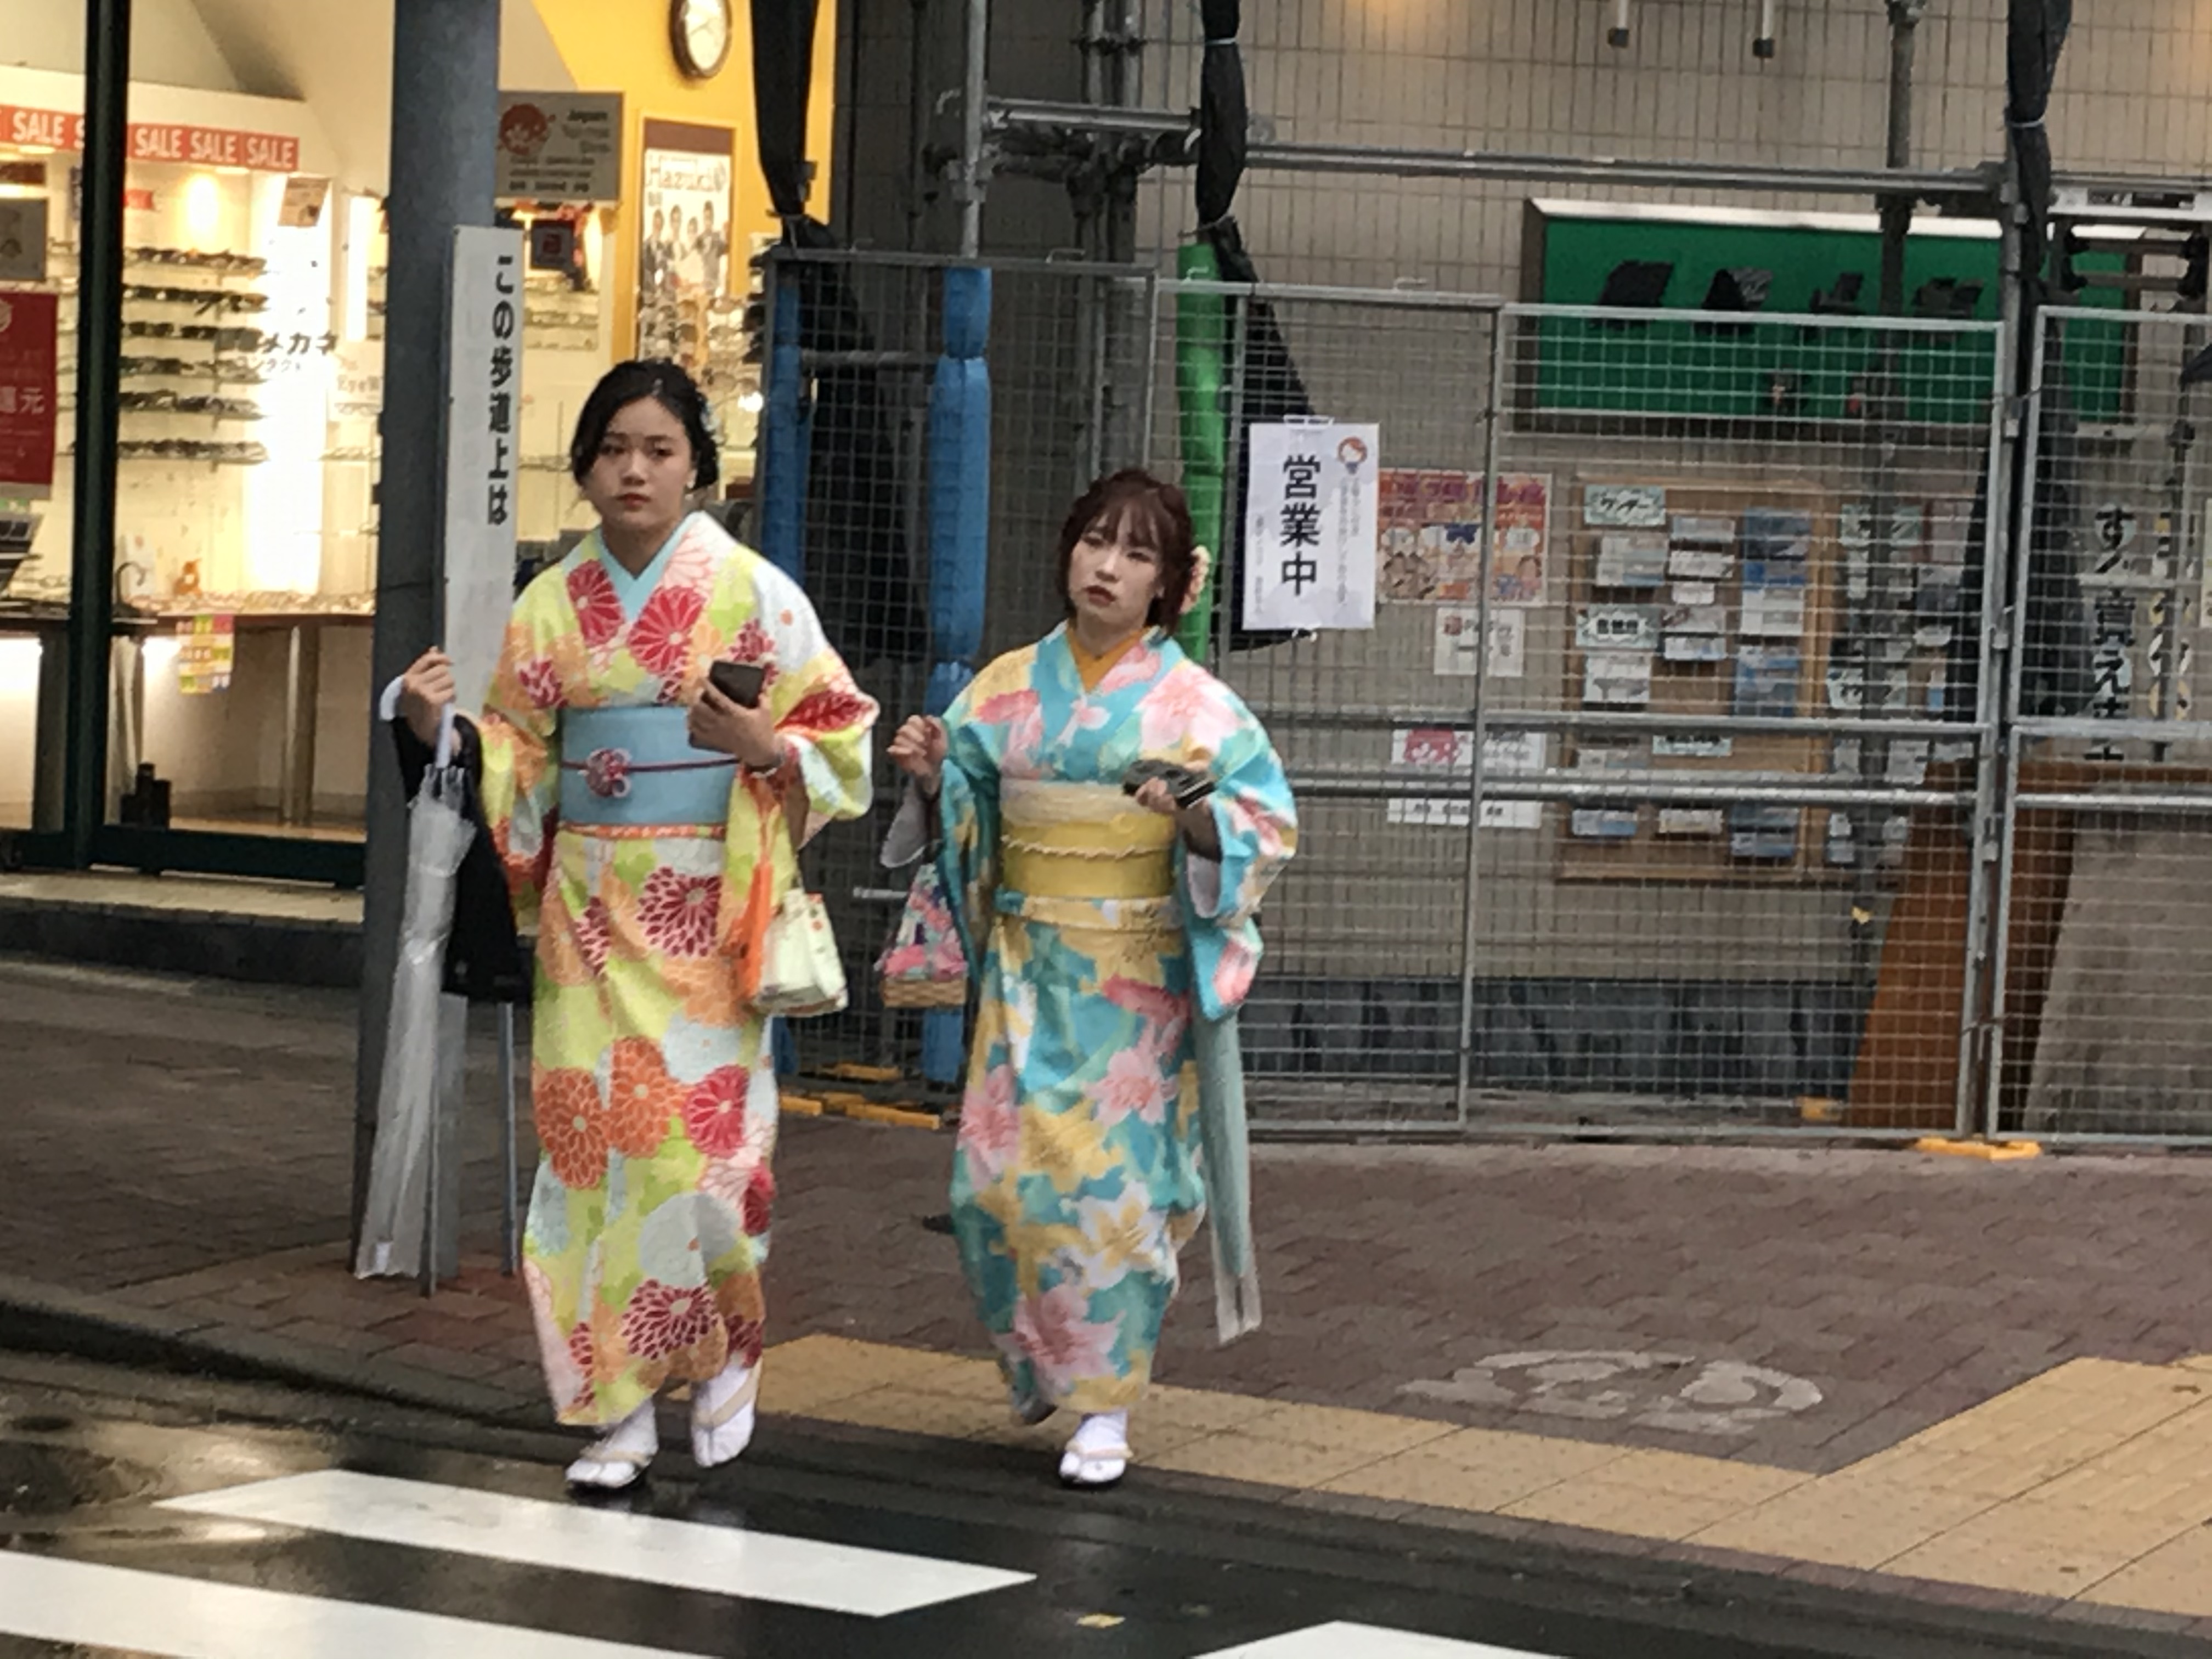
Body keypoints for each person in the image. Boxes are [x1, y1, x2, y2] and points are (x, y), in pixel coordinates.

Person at [391, 360, 877, 1492]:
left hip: (708, 907)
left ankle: (722, 1354)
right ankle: (616, 1408)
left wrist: (768, 751)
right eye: (614, 448)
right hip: (589, 915)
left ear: (697, 466)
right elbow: (514, 750)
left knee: (703, 1156)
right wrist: (442, 734)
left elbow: (840, 729)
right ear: (587, 466)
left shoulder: (755, 592)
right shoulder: (550, 607)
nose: (635, 470)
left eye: (660, 450)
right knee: (588, 1161)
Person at [884, 469, 1297, 1490]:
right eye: (1095, 543)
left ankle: (1105, 1404)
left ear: (1169, 585)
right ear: (1068, 550)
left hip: (1135, 981)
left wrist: (1196, 819)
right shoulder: (1006, 686)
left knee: (1109, 1197)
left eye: (1137, 553)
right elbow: (969, 809)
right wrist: (938, 773)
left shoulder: (1202, 707)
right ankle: (1037, 1359)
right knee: (993, 1186)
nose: (1108, 567)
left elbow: (1265, 829)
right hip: (1028, 963)